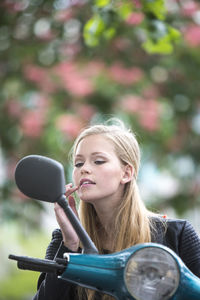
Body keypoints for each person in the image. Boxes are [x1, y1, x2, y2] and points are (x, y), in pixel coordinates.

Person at [33, 118, 200, 300]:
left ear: (127, 173)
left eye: (98, 161)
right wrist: (71, 245)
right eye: (78, 163)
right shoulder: (63, 242)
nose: (84, 169)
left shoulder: (176, 235)